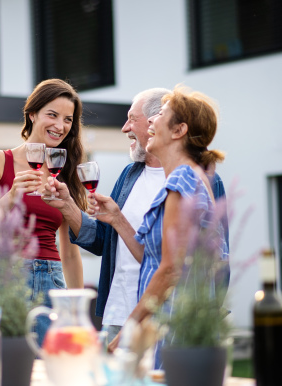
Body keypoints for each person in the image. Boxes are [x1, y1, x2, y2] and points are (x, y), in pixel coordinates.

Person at [43, 88, 229, 345]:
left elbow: (183, 266)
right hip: (125, 311)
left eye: (133, 118)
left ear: (177, 130)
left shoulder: (188, 178)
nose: (124, 127)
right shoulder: (130, 176)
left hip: (167, 319)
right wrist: (72, 207)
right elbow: (135, 250)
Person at [91, 86, 229, 365]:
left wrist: (128, 331)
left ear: (178, 131)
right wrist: (117, 218)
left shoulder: (181, 183)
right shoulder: (192, 178)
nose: (151, 121)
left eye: (160, 115)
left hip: (171, 331)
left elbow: (169, 270)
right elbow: (158, 259)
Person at [0, 79, 88, 344]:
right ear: (32, 114)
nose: (60, 126)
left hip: (51, 279)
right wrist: (10, 199)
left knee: (50, 369)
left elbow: (70, 252)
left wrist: (76, 313)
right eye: (52, 115)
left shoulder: (65, 171)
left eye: (68, 119)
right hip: (4, 276)